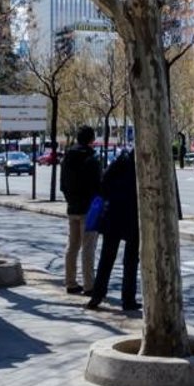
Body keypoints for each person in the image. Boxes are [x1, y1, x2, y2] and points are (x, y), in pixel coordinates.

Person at [85, 148, 140, 312]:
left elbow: (103, 183)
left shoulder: (120, 161)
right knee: (130, 261)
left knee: (107, 258)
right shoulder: (142, 167)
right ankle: (128, 299)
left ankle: (97, 295)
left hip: (113, 216)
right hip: (132, 217)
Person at [59, 126, 102, 295]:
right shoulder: (92, 158)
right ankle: (89, 285)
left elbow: (62, 184)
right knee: (88, 248)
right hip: (89, 209)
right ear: (91, 140)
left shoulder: (67, 157)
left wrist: (70, 200)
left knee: (72, 246)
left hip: (72, 207)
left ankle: (70, 282)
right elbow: (99, 185)